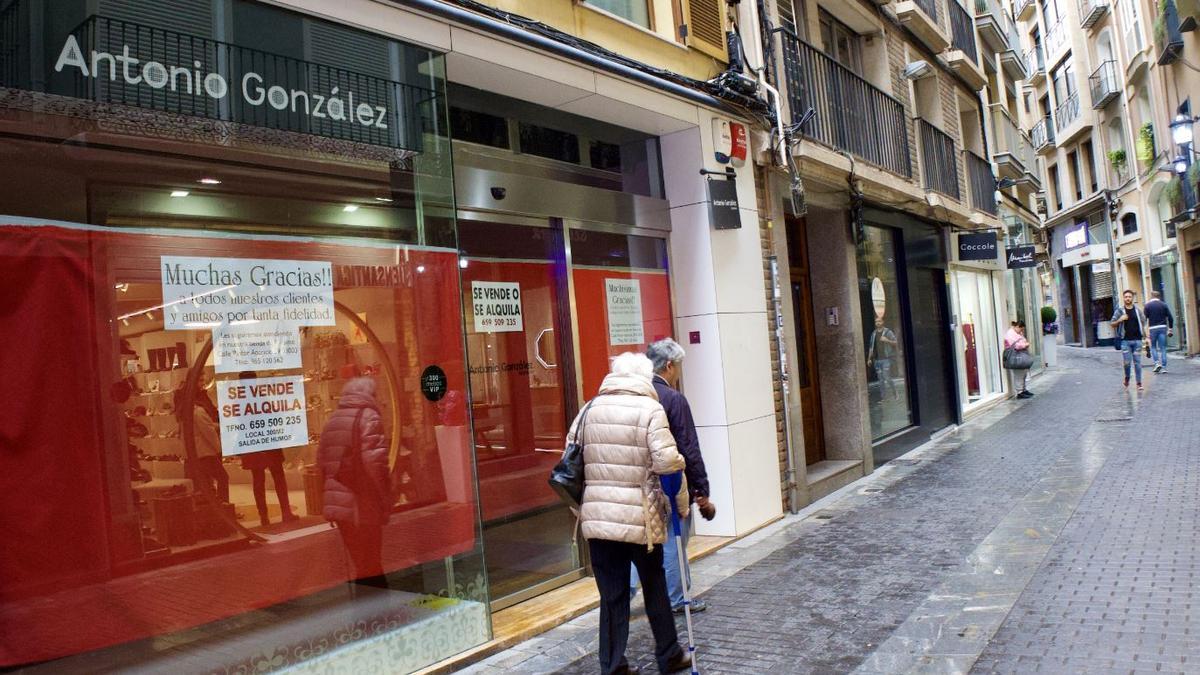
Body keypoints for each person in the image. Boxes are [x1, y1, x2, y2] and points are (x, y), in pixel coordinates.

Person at [571, 352, 692, 675]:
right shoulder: (650, 409)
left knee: (612, 597)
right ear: (643, 377)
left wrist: (585, 505)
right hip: (640, 519)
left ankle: (612, 666)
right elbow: (669, 464)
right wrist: (680, 504)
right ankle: (668, 655)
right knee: (654, 587)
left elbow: (571, 459)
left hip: (599, 521)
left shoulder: (589, 409)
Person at [631, 338, 715, 615]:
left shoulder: (633, 395)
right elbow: (688, 448)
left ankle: (623, 592)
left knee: (639, 541)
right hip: (667, 484)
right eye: (678, 366)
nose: (678, 371)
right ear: (669, 365)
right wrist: (701, 489)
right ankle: (677, 599)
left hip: (636, 483)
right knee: (672, 541)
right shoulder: (672, 398)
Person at [318, 377, 393, 588]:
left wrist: (329, 503)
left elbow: (321, 463)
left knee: (360, 563)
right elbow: (375, 464)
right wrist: (385, 497)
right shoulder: (369, 417)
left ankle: (367, 615)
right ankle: (378, 615)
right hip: (363, 502)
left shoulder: (332, 419)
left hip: (340, 507)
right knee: (371, 563)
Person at [237, 371, 298, 527]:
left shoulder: (240, 400)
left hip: (253, 443)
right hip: (268, 440)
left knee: (258, 480)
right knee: (278, 475)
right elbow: (272, 417)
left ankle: (264, 516)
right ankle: (285, 512)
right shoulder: (260, 398)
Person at [176, 382, 230, 502]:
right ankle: (223, 505)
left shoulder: (184, 412)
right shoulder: (197, 411)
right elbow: (208, 432)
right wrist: (218, 449)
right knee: (223, 478)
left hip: (194, 454)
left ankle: (212, 506)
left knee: (204, 483)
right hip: (204, 453)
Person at [1109, 290, 1150, 391]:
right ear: (1123, 298)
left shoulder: (1138, 310)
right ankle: (1127, 378)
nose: (1128, 298)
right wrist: (1120, 319)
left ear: (1132, 298)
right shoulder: (1119, 311)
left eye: (1130, 297)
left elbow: (1144, 323)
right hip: (1125, 341)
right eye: (1126, 297)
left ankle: (1139, 383)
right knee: (1127, 363)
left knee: (1137, 362)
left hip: (1137, 341)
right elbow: (1112, 323)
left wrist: (1147, 337)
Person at [867, 317, 900, 400]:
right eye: (876, 321)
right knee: (881, 380)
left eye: (879, 321)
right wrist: (869, 359)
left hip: (886, 359)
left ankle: (895, 392)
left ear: (882, 322)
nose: (877, 323)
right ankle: (883, 397)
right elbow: (871, 347)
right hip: (877, 360)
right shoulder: (874, 334)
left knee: (887, 377)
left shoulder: (888, 332)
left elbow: (895, 343)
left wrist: (886, 340)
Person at [1144, 290, 1175, 373]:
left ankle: (1157, 363)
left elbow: (1145, 319)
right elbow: (1170, 318)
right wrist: (1170, 329)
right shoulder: (1164, 305)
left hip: (1152, 328)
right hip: (1162, 328)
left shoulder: (1147, 306)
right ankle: (1164, 367)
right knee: (1163, 348)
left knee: (1153, 347)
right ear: (1159, 297)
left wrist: (1146, 333)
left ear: (1151, 296)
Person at [1003, 321, 1033, 400]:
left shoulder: (1017, 333)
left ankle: (1023, 390)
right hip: (1015, 356)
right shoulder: (1010, 334)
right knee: (1019, 374)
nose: (1022, 331)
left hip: (1020, 355)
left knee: (1023, 373)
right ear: (1017, 327)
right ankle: (1019, 392)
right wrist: (1025, 344)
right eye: (1021, 329)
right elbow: (1016, 346)